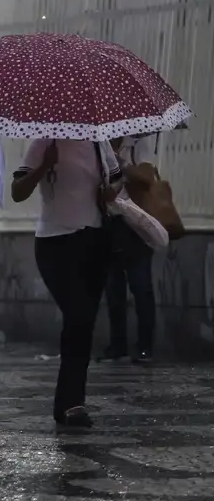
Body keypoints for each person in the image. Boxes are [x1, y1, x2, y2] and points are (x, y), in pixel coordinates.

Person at [12, 138, 120, 429]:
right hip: (55, 242)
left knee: (83, 323)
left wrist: (111, 192)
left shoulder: (100, 142)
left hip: (95, 239)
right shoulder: (43, 142)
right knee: (78, 314)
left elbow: (117, 179)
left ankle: (72, 403)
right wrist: (44, 165)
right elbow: (18, 192)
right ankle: (70, 402)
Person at [98, 134, 157, 364]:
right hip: (109, 221)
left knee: (141, 287)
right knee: (113, 288)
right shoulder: (99, 141)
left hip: (135, 223)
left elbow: (146, 177)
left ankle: (145, 346)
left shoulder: (139, 141)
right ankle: (118, 344)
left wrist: (119, 162)